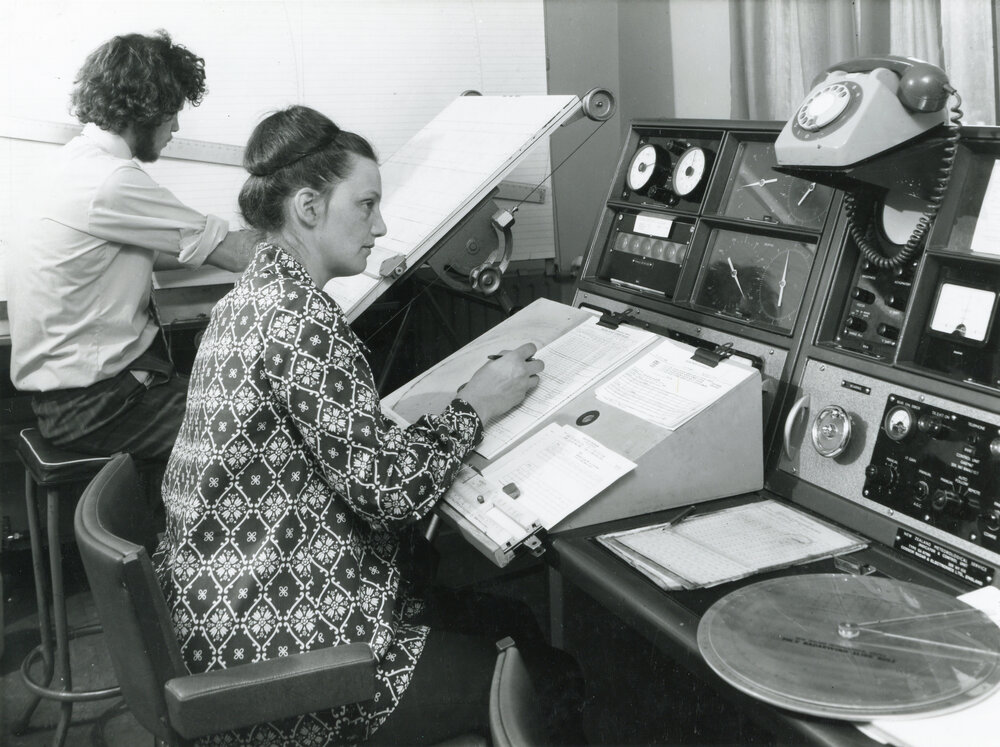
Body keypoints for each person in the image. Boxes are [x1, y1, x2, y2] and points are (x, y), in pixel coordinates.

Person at [154, 105, 585, 745]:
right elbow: (392, 494)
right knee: (545, 675)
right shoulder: (298, 319)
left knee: (505, 615)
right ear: (307, 208)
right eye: (366, 205)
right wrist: (476, 407)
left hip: (228, 617)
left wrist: (450, 414)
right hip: (282, 652)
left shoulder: (252, 297)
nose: (381, 225)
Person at [7, 30, 254, 461]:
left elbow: (146, 252)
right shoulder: (111, 180)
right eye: (173, 112)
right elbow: (235, 254)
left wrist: (205, 248)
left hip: (73, 400)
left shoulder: (69, 165)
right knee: (259, 436)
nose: (175, 127)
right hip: (99, 406)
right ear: (148, 108)